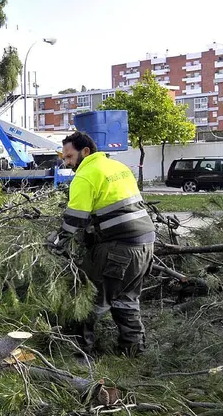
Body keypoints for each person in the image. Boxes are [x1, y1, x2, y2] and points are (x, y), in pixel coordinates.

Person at [46, 131, 155, 357]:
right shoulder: (117, 167)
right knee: (126, 298)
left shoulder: (86, 174)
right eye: (64, 158)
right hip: (145, 243)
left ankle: (80, 352)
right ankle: (133, 352)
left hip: (119, 247)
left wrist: (58, 243)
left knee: (87, 296)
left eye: (69, 156)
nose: (67, 162)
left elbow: (75, 218)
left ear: (85, 152)